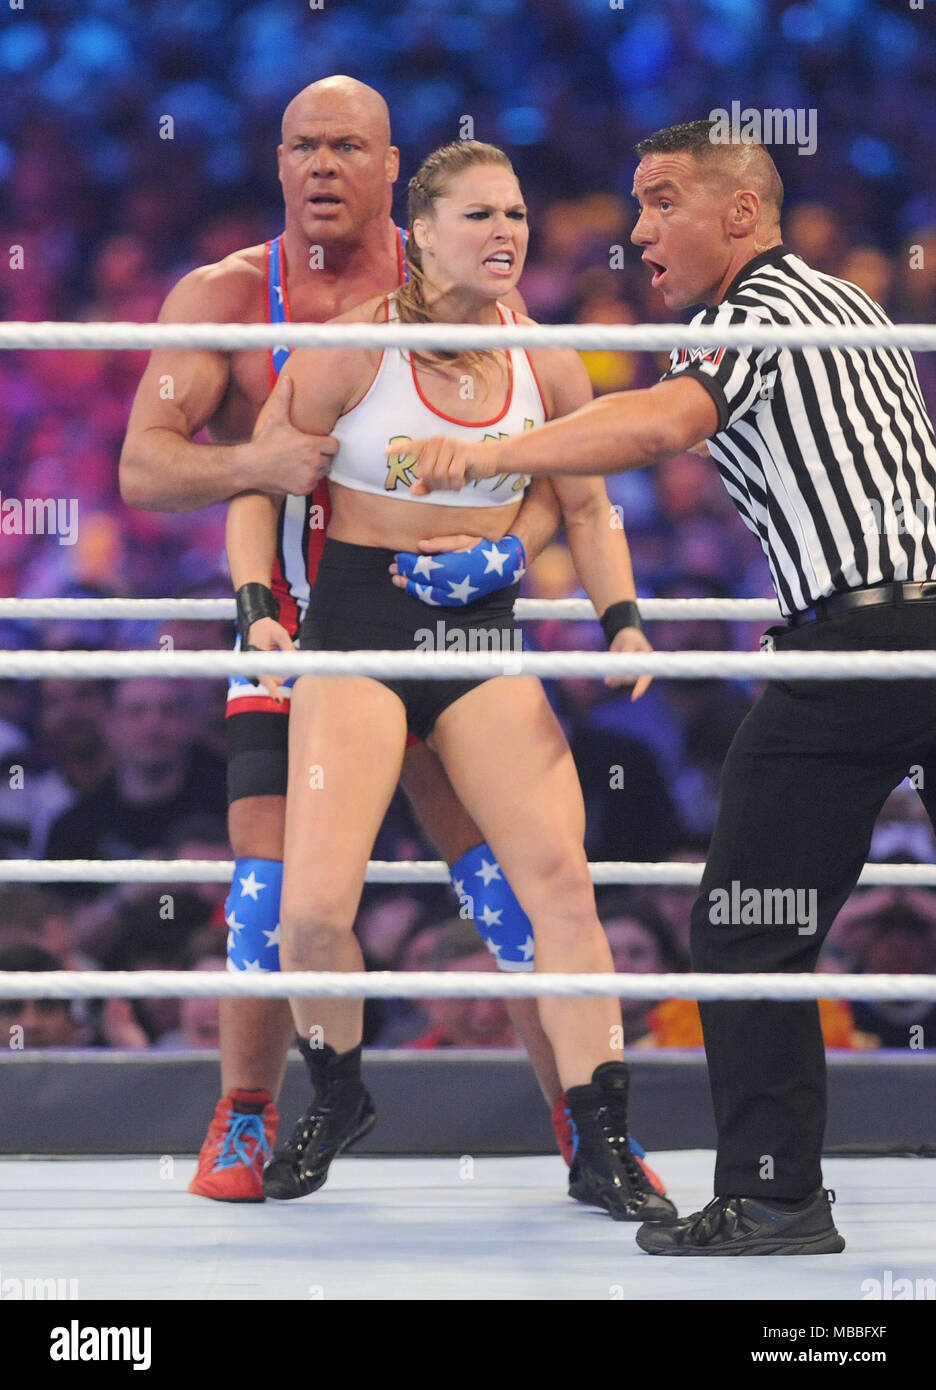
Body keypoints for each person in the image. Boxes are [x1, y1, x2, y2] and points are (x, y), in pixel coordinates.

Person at [119, 76, 660, 1204]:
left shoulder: (508, 327)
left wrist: (586, 594)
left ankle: (586, 1127)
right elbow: (146, 468)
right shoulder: (237, 301)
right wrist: (257, 502)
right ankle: (257, 1113)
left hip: (463, 635)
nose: (321, 166)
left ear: (390, 172)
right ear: (278, 162)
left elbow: (581, 490)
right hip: (314, 631)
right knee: (281, 901)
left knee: (522, 891)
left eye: (346, 147)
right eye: (302, 146)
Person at [401, 118, 936, 1254]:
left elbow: (661, 423)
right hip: (896, 636)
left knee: (749, 927)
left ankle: (776, 1195)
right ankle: (776, 1193)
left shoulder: (756, 310)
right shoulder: (849, 302)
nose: (637, 232)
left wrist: (498, 450)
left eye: (660, 202)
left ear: (739, 213)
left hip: (858, 654)